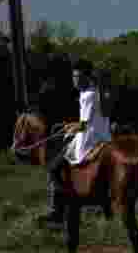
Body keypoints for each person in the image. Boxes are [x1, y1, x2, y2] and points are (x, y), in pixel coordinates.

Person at [37, 60, 113, 226]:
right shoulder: (95, 93)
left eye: (77, 76)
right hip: (104, 138)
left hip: (90, 140)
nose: (74, 80)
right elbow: (91, 120)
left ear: (86, 77)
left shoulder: (87, 96)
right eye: (73, 76)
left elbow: (84, 125)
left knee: (54, 168)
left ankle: (57, 212)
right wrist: (67, 126)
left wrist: (69, 128)